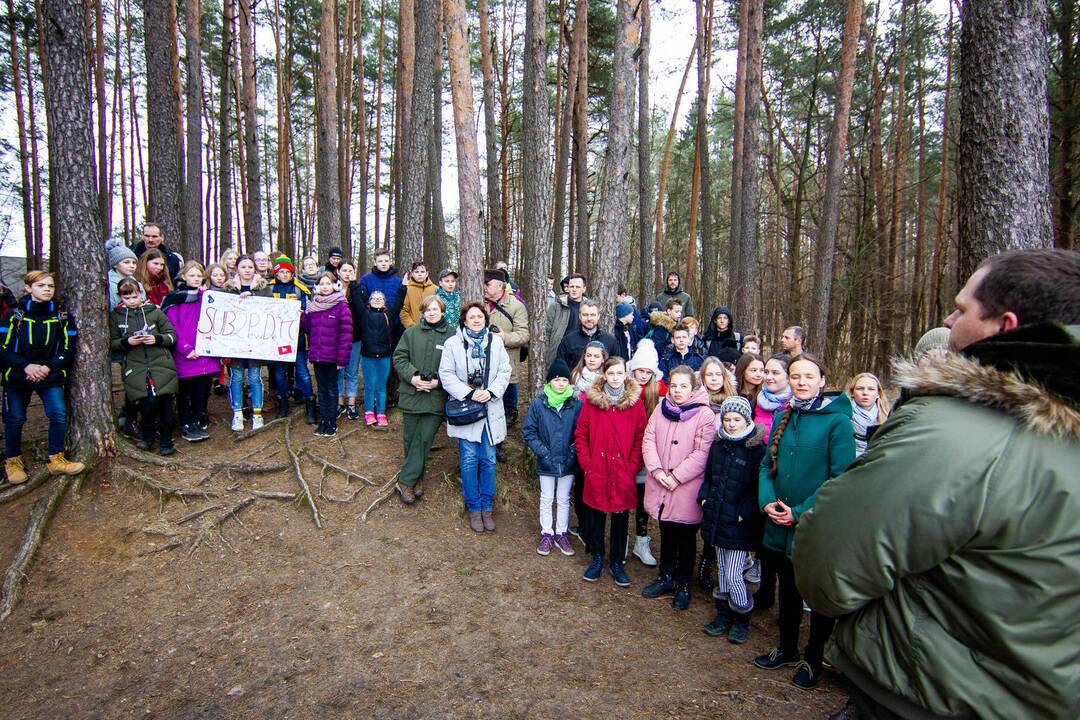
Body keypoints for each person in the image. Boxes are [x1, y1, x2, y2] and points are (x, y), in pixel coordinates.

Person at [796, 249, 1080, 720]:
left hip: (929, 693)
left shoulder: (952, 433)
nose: (949, 320)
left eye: (962, 309)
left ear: (1004, 327)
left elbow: (828, 567)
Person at [753, 353, 855, 690]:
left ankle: (813, 659)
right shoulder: (785, 415)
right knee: (788, 588)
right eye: (795, 376)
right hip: (777, 520)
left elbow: (840, 478)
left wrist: (799, 512)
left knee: (815, 593)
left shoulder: (837, 422)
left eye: (808, 376)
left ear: (822, 380)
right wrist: (768, 502)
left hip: (813, 524)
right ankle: (786, 646)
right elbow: (767, 465)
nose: (801, 382)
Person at [641, 365, 716, 610]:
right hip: (660, 481)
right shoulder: (662, 409)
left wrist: (676, 477)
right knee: (666, 531)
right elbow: (649, 439)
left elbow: (702, 452)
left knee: (685, 538)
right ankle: (666, 577)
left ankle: (684, 584)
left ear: (693, 387)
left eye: (683, 386)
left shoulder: (704, 415)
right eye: (674, 385)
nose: (678, 390)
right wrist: (657, 470)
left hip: (686, 487)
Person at [1, 271, 85, 483]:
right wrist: (26, 366)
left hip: (51, 375)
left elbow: (69, 348)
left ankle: (56, 459)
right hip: (18, 377)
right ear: (28, 288)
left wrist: (47, 367)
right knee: (15, 418)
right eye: (41, 286)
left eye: (50, 286)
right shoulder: (14, 316)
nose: (47, 289)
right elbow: (3, 348)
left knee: (57, 413)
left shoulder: (62, 317)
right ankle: (12, 460)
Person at [439, 302, 513, 533]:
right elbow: (446, 374)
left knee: (489, 459)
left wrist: (490, 392)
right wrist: (470, 393)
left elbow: (505, 370)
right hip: (467, 409)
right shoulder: (453, 344)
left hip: (490, 407)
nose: (476, 319)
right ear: (464, 320)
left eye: (480, 316)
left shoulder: (496, 342)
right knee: (469, 459)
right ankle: (473, 508)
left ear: (485, 319)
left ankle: (487, 507)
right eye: (471, 317)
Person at [574, 356, 647, 586]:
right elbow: (581, 434)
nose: (615, 378)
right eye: (611, 373)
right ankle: (597, 557)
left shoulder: (635, 404)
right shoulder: (592, 402)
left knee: (620, 518)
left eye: (619, 373)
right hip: (598, 469)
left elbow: (640, 437)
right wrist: (588, 464)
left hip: (622, 472)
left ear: (626, 374)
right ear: (604, 375)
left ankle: (617, 561)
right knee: (595, 515)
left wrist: (632, 466)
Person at [699, 395, 766, 644]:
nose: (731, 424)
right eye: (727, 419)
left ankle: (741, 616)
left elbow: (758, 488)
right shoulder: (719, 445)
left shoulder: (756, 450)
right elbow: (708, 477)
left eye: (737, 419)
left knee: (736, 573)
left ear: (746, 419)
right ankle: (723, 615)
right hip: (717, 517)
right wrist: (705, 499)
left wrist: (744, 513)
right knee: (724, 573)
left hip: (739, 524)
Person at [393, 295, 452, 505]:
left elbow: (457, 366)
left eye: (435, 309)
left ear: (442, 311)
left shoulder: (453, 336)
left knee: (425, 439)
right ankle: (416, 478)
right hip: (412, 394)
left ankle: (405, 481)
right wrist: (413, 377)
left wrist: (438, 382)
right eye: (427, 310)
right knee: (411, 440)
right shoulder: (410, 333)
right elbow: (399, 358)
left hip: (436, 397)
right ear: (422, 312)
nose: (432, 313)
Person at [110, 278, 179, 455]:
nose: (132, 301)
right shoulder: (116, 316)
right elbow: (113, 343)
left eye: (134, 296)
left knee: (165, 403)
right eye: (127, 298)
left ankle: (166, 441)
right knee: (147, 403)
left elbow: (172, 335)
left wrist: (157, 339)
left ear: (141, 294)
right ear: (120, 297)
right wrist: (128, 341)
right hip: (136, 366)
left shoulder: (155, 313)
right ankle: (147, 438)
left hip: (161, 364)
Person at [521, 358, 582, 557]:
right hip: (546, 460)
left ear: (569, 382)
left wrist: (572, 452)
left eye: (564, 380)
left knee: (563, 498)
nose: (561, 384)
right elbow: (529, 430)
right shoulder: (539, 404)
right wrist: (544, 452)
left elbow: (581, 431)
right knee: (546, 498)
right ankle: (547, 532)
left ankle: (561, 532)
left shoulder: (575, 404)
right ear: (549, 383)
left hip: (567, 460)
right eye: (556, 380)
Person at [696, 355, 739, 592]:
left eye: (717, 374)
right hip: (698, 463)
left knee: (715, 515)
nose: (714, 379)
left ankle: (707, 562)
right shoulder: (696, 401)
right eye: (709, 375)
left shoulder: (733, 402)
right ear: (701, 378)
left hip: (722, 465)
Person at [162, 262, 217, 443]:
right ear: (183, 276)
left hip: (205, 351)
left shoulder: (206, 297)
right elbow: (172, 325)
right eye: (192, 275)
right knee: (186, 390)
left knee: (203, 389)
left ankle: (198, 419)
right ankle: (186, 422)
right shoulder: (174, 299)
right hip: (185, 352)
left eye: (198, 276)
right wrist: (185, 349)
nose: (195, 279)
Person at [626, 339, 665, 567]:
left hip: (648, 451)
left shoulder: (660, 393)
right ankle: (622, 537)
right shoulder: (625, 389)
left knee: (643, 497)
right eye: (640, 370)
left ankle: (641, 539)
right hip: (625, 450)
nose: (643, 376)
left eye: (648, 372)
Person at [484, 269, 529, 458]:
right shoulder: (479, 303)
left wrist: (504, 337)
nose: (484, 287)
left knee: (500, 409)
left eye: (488, 284)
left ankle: (498, 445)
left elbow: (524, 334)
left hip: (505, 365)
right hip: (482, 365)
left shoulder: (516, 306)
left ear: (500, 286)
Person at [302, 271, 353, 437]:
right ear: (317, 286)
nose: (325, 287)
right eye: (322, 284)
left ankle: (331, 422)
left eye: (328, 283)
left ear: (335, 285)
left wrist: (342, 358)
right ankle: (323, 420)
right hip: (318, 355)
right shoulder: (314, 305)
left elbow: (346, 335)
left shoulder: (341, 306)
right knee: (322, 389)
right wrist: (302, 316)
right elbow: (308, 328)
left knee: (331, 389)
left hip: (333, 357)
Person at [224, 255, 271, 431]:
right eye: (243, 267)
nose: (247, 270)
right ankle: (238, 414)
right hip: (234, 341)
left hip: (255, 341)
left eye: (250, 267)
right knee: (236, 377)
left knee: (254, 377)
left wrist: (254, 297)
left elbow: (271, 309)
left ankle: (257, 414)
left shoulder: (263, 288)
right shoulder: (228, 289)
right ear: (237, 269)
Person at [268, 256, 314, 421]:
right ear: (276, 273)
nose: (285, 275)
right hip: (275, 340)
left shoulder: (299, 289)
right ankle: (283, 404)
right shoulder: (269, 288)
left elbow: (307, 312)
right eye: (281, 272)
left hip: (297, 339)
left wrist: (302, 315)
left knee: (302, 371)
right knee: (279, 373)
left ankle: (310, 405)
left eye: (288, 271)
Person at [358, 290, 393, 427]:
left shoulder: (388, 315)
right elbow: (356, 299)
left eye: (380, 298)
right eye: (374, 298)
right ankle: (368, 412)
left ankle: (381, 413)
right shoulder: (365, 314)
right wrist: (354, 284)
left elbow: (399, 302)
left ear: (385, 301)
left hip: (384, 356)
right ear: (369, 301)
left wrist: (403, 288)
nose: (377, 300)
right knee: (369, 385)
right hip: (368, 355)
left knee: (381, 386)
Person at [556, 299, 618, 368]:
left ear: (598, 316)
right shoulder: (568, 340)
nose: (589, 318)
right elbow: (561, 368)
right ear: (580, 316)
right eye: (585, 315)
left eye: (592, 315)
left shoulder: (610, 341)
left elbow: (616, 366)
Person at [543, 273, 588, 364]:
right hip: (560, 354)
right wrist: (548, 351)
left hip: (583, 355)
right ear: (567, 288)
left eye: (578, 287)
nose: (574, 289)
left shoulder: (589, 308)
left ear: (584, 289)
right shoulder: (556, 306)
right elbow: (547, 331)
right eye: (571, 286)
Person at [337, 262, 363, 420]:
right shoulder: (331, 288)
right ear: (338, 272)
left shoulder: (358, 289)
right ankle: (339, 404)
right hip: (336, 339)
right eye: (344, 270)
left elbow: (361, 311)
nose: (347, 273)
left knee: (352, 372)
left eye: (350, 271)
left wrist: (353, 286)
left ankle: (351, 404)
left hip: (355, 337)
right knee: (338, 372)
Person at [845, 372, 890, 457]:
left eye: (871, 389)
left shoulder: (888, 416)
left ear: (878, 394)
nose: (865, 393)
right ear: (852, 393)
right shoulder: (844, 415)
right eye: (860, 388)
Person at [755, 353, 792, 436]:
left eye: (775, 373)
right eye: (766, 372)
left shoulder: (796, 403)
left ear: (788, 376)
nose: (768, 377)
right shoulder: (759, 399)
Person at [106, 237, 143, 309]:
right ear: (115, 264)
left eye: (134, 263)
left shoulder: (137, 283)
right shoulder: (109, 284)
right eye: (126, 262)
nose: (132, 266)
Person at [400, 261, 438, 329]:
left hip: (433, 329)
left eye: (422, 272)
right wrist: (412, 327)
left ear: (427, 274)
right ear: (412, 274)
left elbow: (441, 309)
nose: (419, 274)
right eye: (416, 272)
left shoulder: (435, 289)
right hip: (415, 329)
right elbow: (403, 311)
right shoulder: (408, 289)